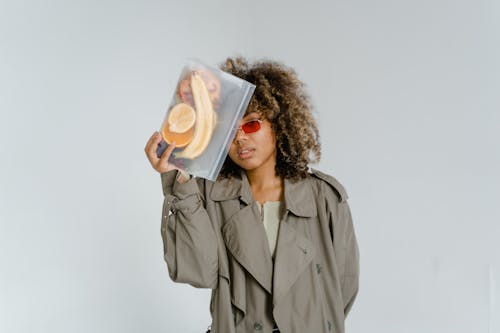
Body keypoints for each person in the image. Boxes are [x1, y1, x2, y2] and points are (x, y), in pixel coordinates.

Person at [144, 57, 359, 333]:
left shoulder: (323, 197)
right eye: (230, 129)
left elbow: (343, 287)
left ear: (278, 125)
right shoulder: (208, 196)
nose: (240, 138)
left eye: (252, 124)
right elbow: (199, 271)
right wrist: (179, 178)